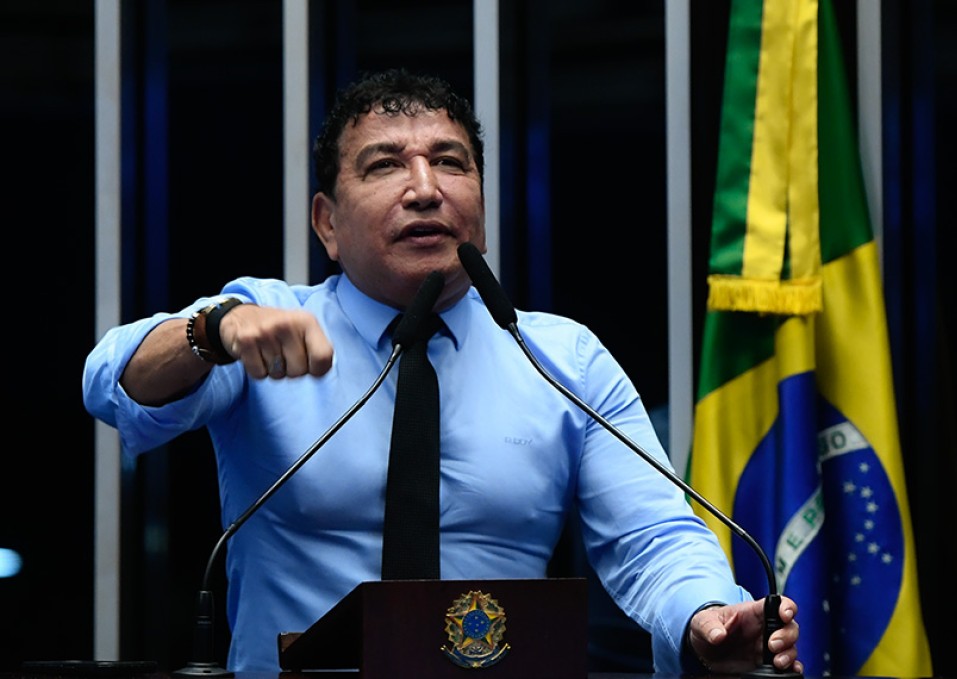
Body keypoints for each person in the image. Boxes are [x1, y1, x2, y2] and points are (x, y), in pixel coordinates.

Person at [83, 68, 801, 676]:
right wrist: (210, 332)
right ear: (327, 223)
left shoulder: (562, 359)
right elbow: (113, 383)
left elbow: (653, 536)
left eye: (451, 163)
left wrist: (707, 614)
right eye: (385, 165)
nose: (425, 188)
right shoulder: (264, 324)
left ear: (480, 204)